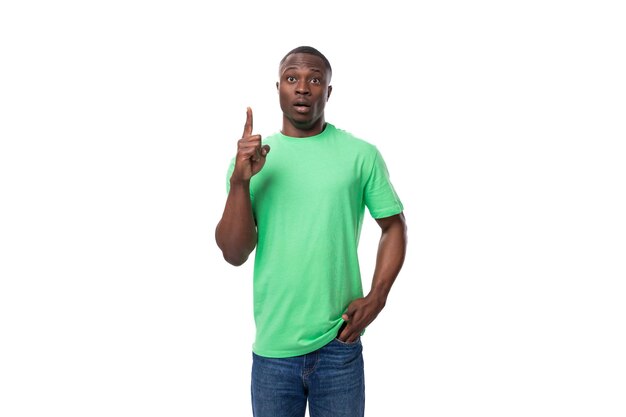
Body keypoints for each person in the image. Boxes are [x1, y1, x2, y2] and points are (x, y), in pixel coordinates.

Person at [215, 46, 407, 417]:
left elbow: (394, 225)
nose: (302, 88)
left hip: (339, 342)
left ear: (328, 92)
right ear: (278, 88)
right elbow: (234, 253)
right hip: (274, 347)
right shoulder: (253, 161)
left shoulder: (359, 154)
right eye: (292, 78)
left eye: (315, 80)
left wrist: (378, 296)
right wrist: (240, 182)